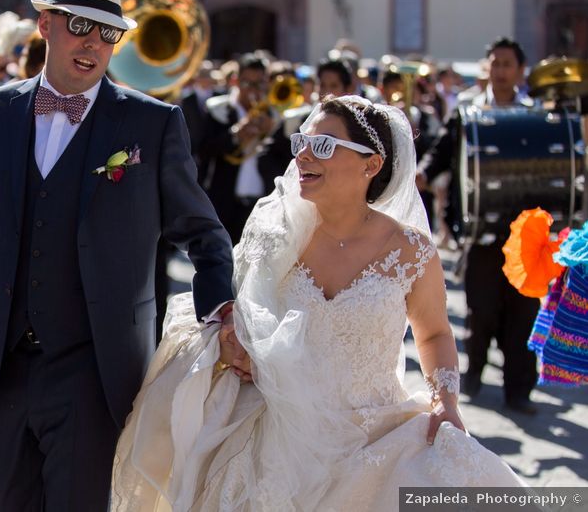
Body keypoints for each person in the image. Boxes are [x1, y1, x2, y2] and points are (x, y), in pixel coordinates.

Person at [0, 0, 234, 509]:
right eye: (80, 25)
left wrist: (222, 314)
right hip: (2, 366)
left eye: (108, 34)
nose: (93, 44)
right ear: (46, 24)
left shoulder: (152, 124)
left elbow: (205, 234)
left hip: (95, 371)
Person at [112, 95, 525, 510]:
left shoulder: (411, 251)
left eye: (324, 146)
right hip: (273, 436)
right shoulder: (274, 234)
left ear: (372, 164)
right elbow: (236, 316)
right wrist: (234, 342)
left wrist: (445, 401)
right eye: (301, 143)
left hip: (374, 437)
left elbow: (434, 332)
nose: (305, 155)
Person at [417, 37, 539, 414]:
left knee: (522, 314)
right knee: (481, 307)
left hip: (524, 234)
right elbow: (442, 150)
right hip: (478, 229)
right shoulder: (467, 111)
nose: (500, 70)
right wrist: (422, 173)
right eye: (495, 63)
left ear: (520, 71)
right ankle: (473, 374)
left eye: (507, 63)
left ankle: (519, 391)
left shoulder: (534, 115)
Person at [197, 52, 285, 243]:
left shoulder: (274, 115)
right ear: (236, 81)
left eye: (259, 84)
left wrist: (269, 136)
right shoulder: (218, 109)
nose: (252, 90)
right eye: (247, 83)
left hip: (261, 203)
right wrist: (237, 133)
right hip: (225, 201)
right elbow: (203, 150)